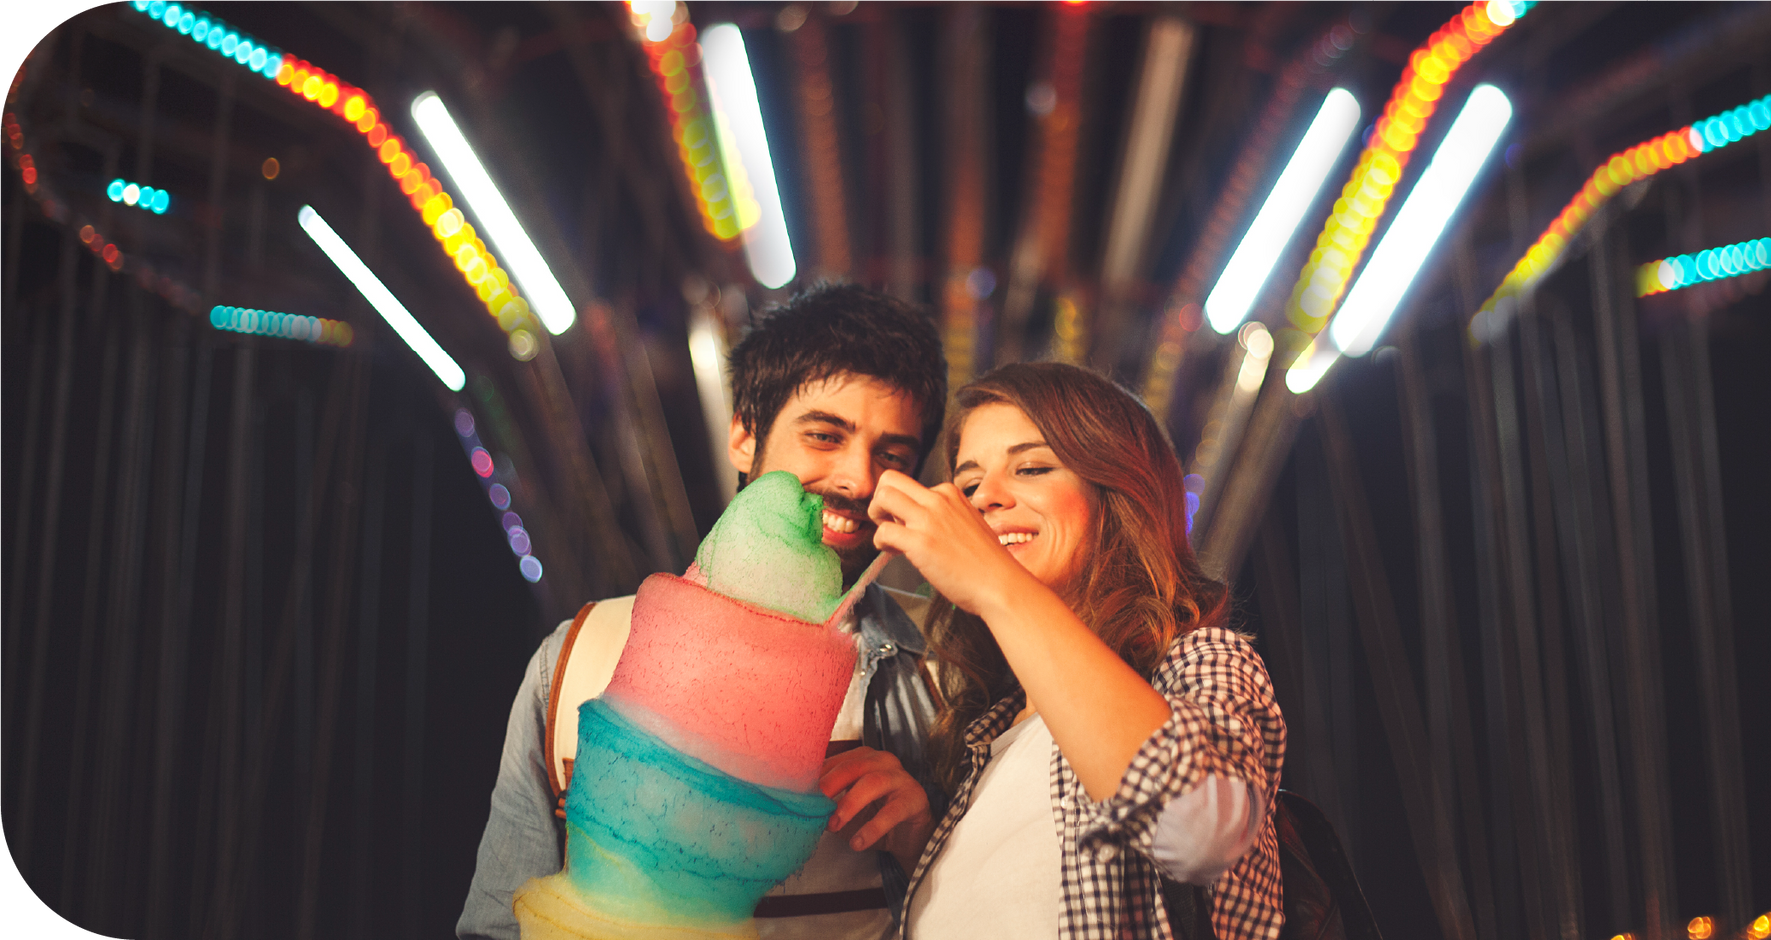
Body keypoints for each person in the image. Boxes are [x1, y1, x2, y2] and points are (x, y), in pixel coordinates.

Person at [457, 283, 949, 940]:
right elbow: (497, 923)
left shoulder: (946, 666)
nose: (859, 479)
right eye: (825, 435)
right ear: (744, 437)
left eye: (893, 455)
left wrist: (927, 842)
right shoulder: (574, 658)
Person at [847, 362, 1286, 938]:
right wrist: (922, 848)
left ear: (1116, 493)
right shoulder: (988, 730)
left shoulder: (1197, 662)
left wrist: (994, 585)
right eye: (969, 483)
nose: (985, 500)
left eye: (1030, 467)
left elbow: (1200, 827)